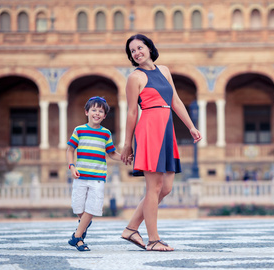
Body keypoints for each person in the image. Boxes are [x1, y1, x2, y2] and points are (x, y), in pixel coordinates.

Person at [121, 34, 202, 251]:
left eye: (140, 48)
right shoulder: (134, 78)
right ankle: (153, 239)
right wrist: (127, 144)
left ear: (149, 47)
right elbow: (131, 113)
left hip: (166, 129)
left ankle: (131, 228)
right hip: (149, 129)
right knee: (154, 187)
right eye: (132, 51)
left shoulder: (164, 70)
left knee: (165, 188)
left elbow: (175, 101)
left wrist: (191, 126)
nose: (137, 53)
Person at [66, 96, 123, 251]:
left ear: (104, 116)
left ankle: (78, 237)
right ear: (87, 112)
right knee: (78, 208)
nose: (97, 113)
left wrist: (123, 158)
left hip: (98, 178)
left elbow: (112, 153)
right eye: (94, 110)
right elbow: (70, 150)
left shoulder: (106, 134)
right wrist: (71, 166)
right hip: (80, 176)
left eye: (101, 111)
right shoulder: (79, 130)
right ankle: (84, 223)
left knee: (92, 207)